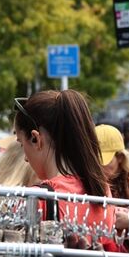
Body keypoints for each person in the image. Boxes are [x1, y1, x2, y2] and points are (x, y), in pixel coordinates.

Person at [12, 89, 113, 228]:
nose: (25, 159)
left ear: (35, 138)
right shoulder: (101, 190)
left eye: (22, 144)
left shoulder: (36, 199)